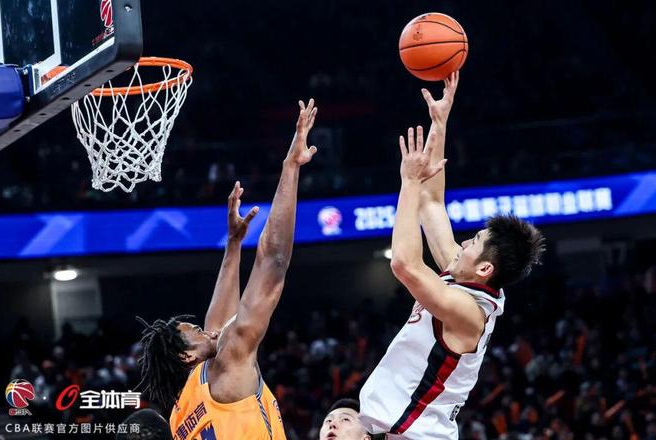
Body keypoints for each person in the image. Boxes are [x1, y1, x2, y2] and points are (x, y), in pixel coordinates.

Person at [359, 72, 545, 439]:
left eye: (473, 241)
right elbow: (432, 202)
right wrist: (439, 122)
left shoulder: (469, 312)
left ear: (485, 268)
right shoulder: (462, 275)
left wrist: (408, 183)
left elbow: (404, 264)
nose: (462, 245)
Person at [136, 99, 319, 439]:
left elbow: (217, 325)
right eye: (195, 331)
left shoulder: (182, 408)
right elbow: (273, 261)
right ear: (186, 354)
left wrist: (233, 245)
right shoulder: (230, 362)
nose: (207, 332)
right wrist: (291, 167)